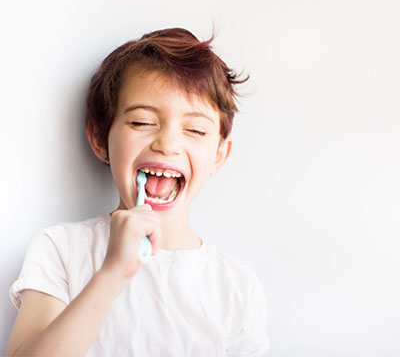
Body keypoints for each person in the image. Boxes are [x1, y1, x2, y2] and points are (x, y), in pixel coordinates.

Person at [7, 28, 270, 356]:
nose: (167, 144)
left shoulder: (238, 288)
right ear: (100, 139)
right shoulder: (61, 250)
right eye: (142, 122)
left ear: (218, 155)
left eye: (195, 129)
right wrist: (112, 273)